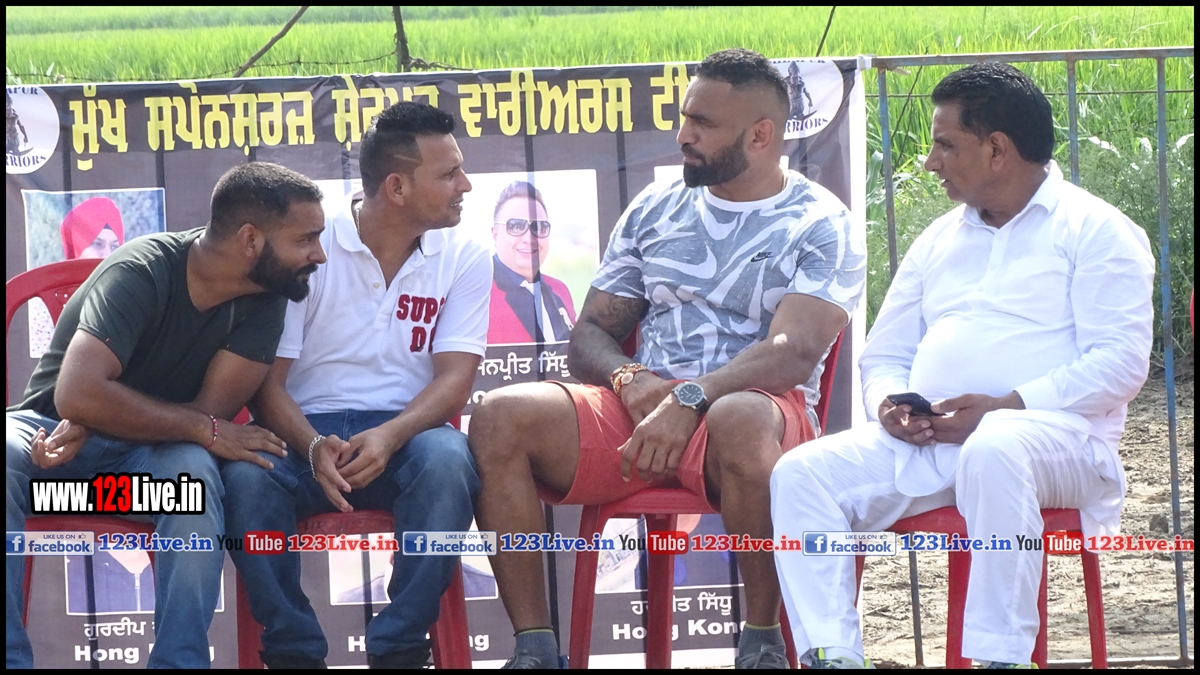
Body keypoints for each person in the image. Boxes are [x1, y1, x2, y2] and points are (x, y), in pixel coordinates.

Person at [469, 48, 865, 669]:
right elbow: (590, 333)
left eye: (703, 123)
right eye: (685, 118)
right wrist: (630, 379)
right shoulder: (656, 207)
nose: (683, 135)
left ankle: (762, 643)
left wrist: (690, 397)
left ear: (760, 136)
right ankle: (536, 649)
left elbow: (792, 352)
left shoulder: (820, 221)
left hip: (755, 417)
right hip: (642, 414)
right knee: (500, 414)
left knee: (738, 417)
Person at [770, 63, 1155, 669]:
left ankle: (1001, 657)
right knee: (801, 474)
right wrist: (891, 405)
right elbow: (886, 354)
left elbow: (1121, 364)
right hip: (932, 443)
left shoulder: (1099, 231)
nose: (930, 162)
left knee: (995, 446)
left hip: (1059, 444)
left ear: (997, 149)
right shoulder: (939, 239)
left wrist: (1007, 407)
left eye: (945, 144)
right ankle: (833, 655)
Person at [6, 161, 327, 669]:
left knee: (192, 475)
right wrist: (101, 415)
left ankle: (180, 663)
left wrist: (105, 414)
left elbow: (208, 414)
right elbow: (76, 395)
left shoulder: (266, 300)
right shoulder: (143, 268)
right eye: (306, 239)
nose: (319, 254)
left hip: (136, 475)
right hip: (51, 460)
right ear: (250, 239)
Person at [222, 101, 489, 670]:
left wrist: (391, 436)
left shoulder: (466, 256)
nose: (465, 185)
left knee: (448, 461)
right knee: (244, 480)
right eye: (449, 174)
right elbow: (265, 385)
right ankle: (293, 653)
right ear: (397, 187)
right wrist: (312, 445)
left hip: (406, 437)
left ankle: (400, 650)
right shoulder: (309, 243)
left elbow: (455, 380)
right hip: (300, 434)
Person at [488, 180, 577, 343]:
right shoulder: (476, 294)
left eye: (539, 227)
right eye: (516, 226)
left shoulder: (560, 290)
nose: (529, 239)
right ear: (495, 234)